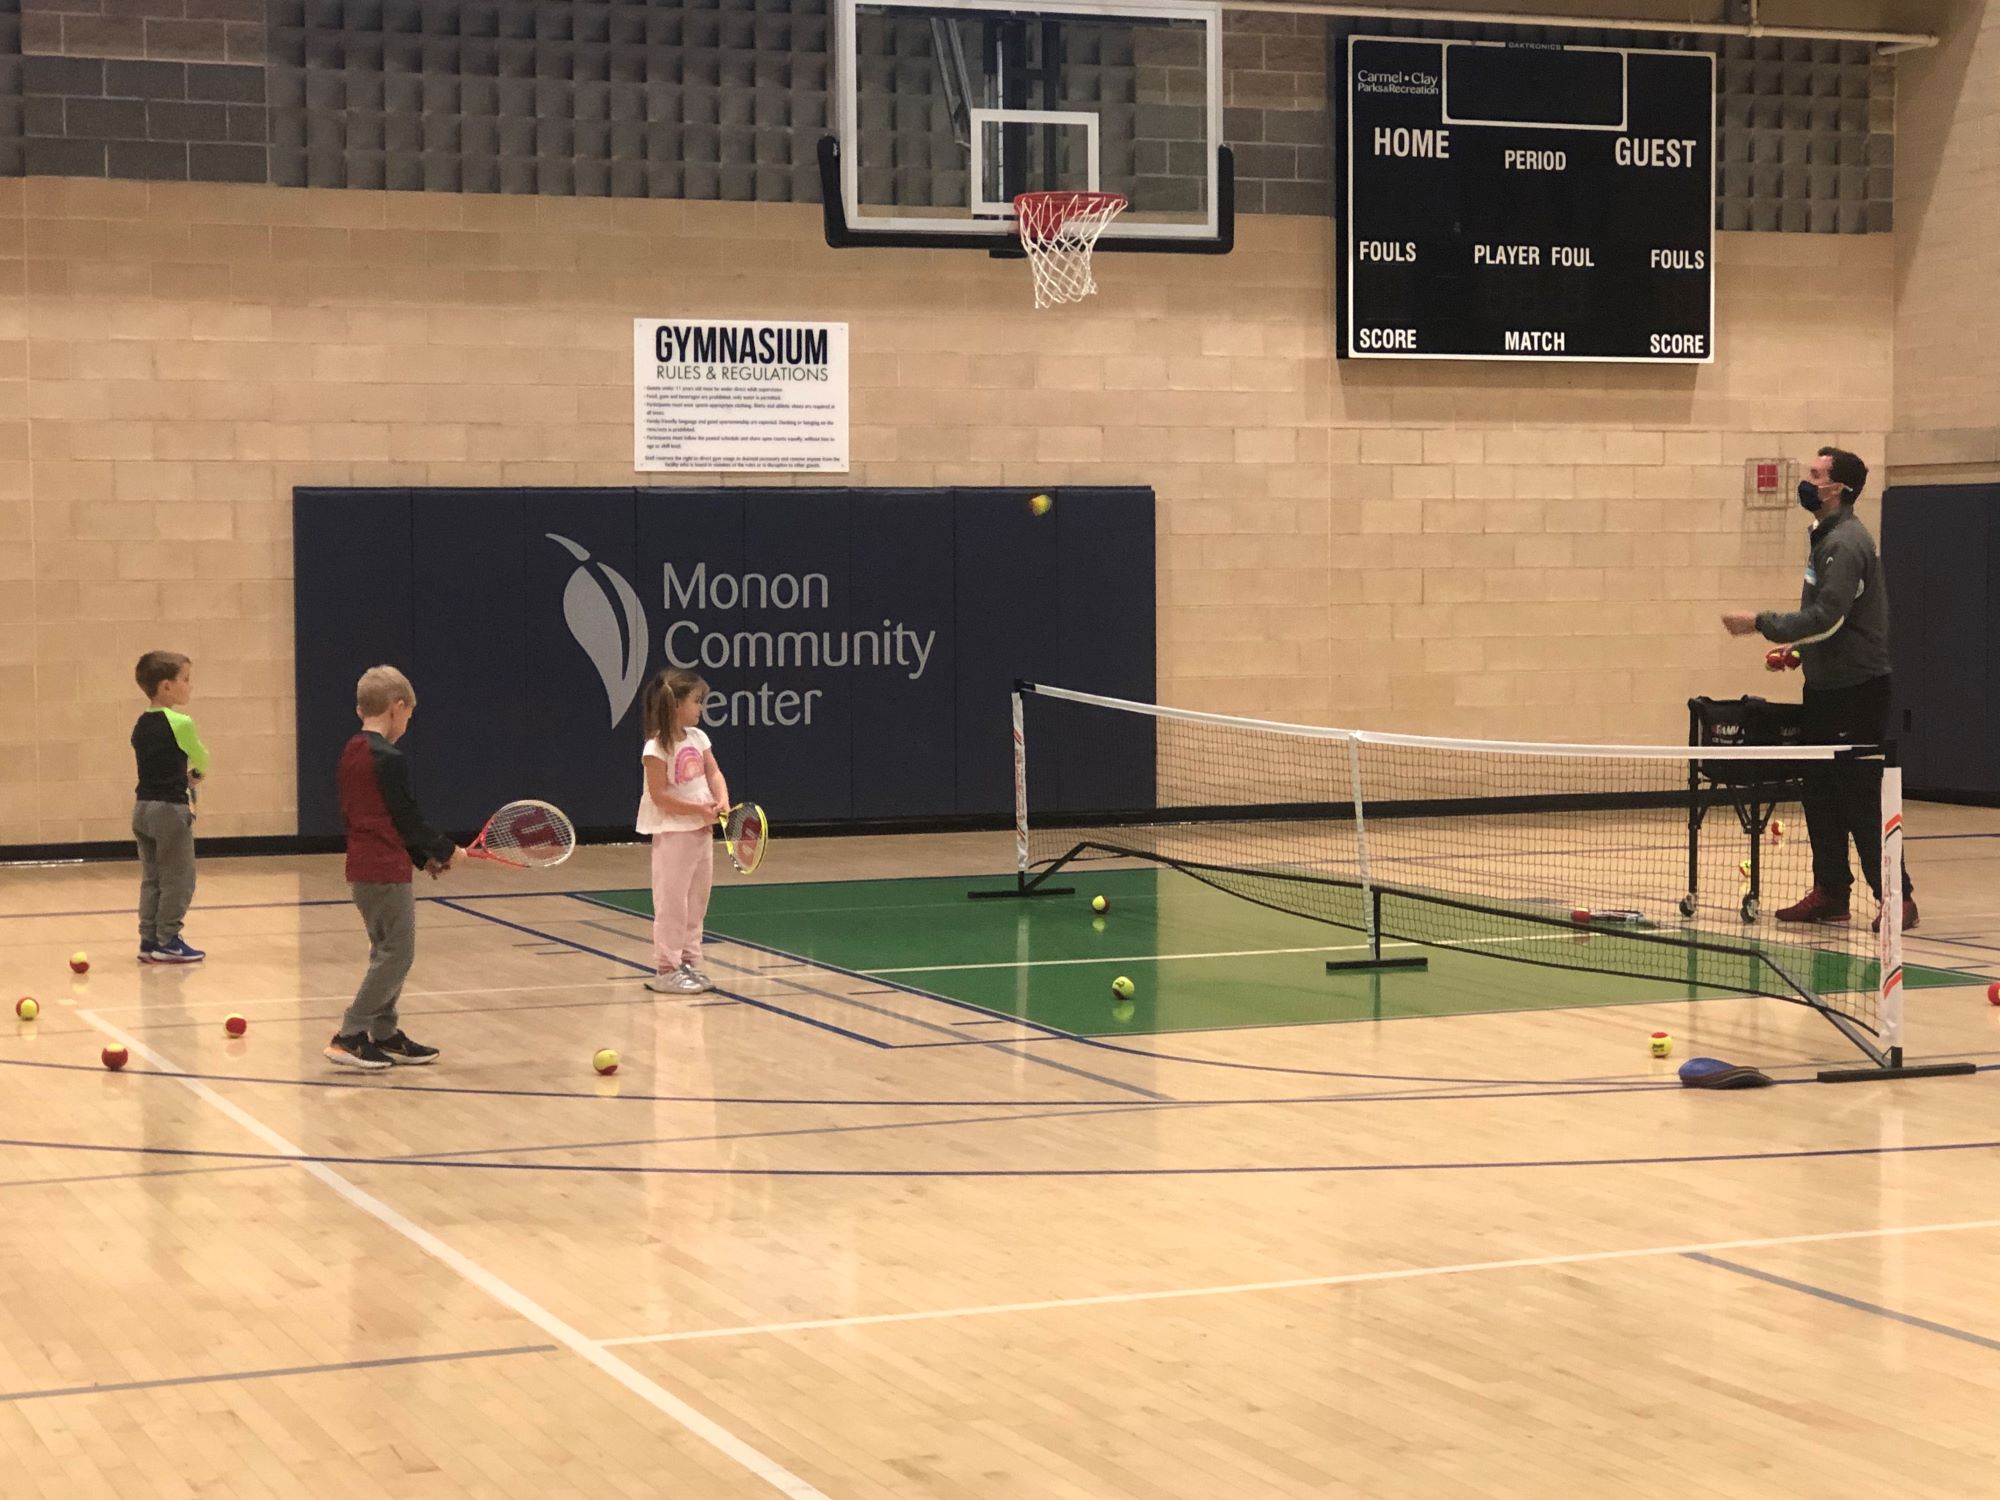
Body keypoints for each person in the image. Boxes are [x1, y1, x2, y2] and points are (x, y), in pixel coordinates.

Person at [1722, 445, 1915, 931]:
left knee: (1857, 796)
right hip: (1827, 688)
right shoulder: (1824, 536)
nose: (1808, 481)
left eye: (1816, 474)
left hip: (1858, 690)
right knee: (1819, 793)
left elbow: (1829, 619)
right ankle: (1831, 892)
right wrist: (1802, 653)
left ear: (1839, 488)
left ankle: (1898, 898)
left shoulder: (1845, 542)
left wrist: (1760, 624)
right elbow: (1832, 627)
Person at [327, 665, 463, 1070]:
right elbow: (405, 815)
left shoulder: (352, 750)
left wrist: (424, 859)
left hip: (365, 866)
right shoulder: (387, 757)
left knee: (386, 951)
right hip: (383, 867)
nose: (407, 723)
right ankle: (350, 1034)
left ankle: (384, 1033)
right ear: (397, 707)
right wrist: (445, 848)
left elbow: (379, 814)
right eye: (409, 715)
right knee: (397, 954)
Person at [638, 668, 728, 995]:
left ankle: (689, 961)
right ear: (676, 705)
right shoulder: (655, 749)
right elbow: (660, 796)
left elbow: (713, 772)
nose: (700, 708)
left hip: (701, 831)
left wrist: (722, 799)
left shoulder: (698, 739)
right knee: (672, 901)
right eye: (696, 701)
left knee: (696, 899)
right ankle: (667, 967)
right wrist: (697, 810)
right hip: (675, 832)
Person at [131, 650, 211, 964]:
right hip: (169, 810)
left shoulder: (140, 723)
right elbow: (202, 758)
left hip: (142, 808)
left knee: (152, 877)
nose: (189, 686)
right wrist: (195, 775)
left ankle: (149, 938)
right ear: (166, 686)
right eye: (185, 680)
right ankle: (168, 939)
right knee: (180, 877)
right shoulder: (181, 722)